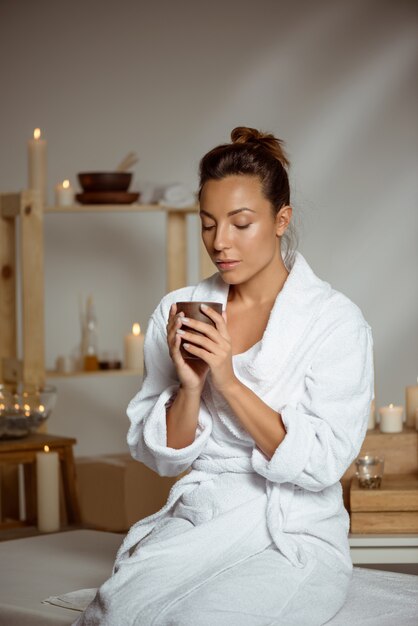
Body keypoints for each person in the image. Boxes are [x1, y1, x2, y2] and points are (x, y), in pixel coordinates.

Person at [73, 127, 374, 625]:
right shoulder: (178, 309)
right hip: (203, 519)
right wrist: (190, 387)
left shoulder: (334, 322)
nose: (220, 242)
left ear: (282, 220)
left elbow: (324, 462)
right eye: (208, 224)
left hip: (292, 530)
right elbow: (161, 459)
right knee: (116, 613)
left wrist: (228, 382)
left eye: (240, 223)